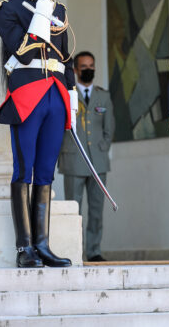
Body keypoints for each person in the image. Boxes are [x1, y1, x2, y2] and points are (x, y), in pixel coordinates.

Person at [0, 0, 76, 268]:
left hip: (55, 93)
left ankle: (42, 243)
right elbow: (18, 48)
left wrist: (70, 92)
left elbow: (66, 54)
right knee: (24, 168)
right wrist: (40, 17)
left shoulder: (57, 8)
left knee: (46, 170)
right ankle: (23, 247)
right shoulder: (7, 9)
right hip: (27, 91)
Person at [59, 50, 114, 262]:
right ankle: (74, 251)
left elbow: (109, 128)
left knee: (97, 211)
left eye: (92, 66)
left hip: (98, 162)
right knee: (74, 210)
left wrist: (103, 147)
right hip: (73, 159)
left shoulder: (103, 95)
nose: (89, 70)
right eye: (84, 67)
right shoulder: (67, 94)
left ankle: (93, 251)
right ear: (75, 69)